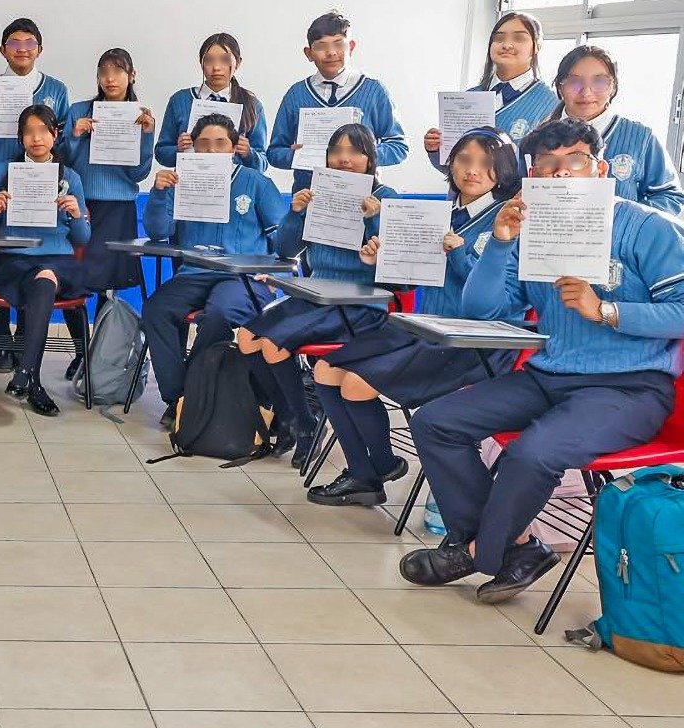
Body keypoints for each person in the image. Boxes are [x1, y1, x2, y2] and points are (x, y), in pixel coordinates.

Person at [405, 118, 684, 602]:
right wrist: (501, 242)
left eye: (572, 162)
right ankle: (515, 547)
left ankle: (474, 552)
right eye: (545, 166)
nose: (558, 175)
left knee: (532, 453)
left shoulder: (646, 227)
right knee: (436, 420)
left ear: (599, 169)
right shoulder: (531, 225)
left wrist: (610, 311)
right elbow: (483, 310)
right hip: (548, 373)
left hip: (630, 386)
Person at [308, 128, 522, 507]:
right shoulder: (439, 210)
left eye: (486, 165)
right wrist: (380, 261)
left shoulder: (505, 220)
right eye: (464, 160)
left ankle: (376, 467)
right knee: (325, 370)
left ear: (503, 171)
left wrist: (458, 254)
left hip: (471, 343)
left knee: (356, 383)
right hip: (423, 326)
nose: (472, 171)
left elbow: (495, 303)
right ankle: (368, 473)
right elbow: (410, 277)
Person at [238, 123, 399, 460]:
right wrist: (296, 214)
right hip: (313, 294)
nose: (344, 159)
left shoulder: (387, 199)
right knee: (247, 338)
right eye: (336, 151)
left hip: (357, 302)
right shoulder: (317, 191)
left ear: (370, 158)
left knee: (273, 345)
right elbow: (285, 249)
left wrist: (374, 218)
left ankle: (304, 423)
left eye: (354, 151)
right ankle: (294, 418)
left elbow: (396, 266)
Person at [140, 113, 285, 429]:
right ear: (192, 148)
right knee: (155, 309)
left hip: (241, 277)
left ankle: (196, 390)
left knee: (219, 313)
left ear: (233, 147)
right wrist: (159, 192)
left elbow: (284, 240)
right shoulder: (180, 180)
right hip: (195, 273)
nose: (211, 151)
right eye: (203, 144)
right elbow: (157, 230)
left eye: (220, 144)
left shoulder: (257, 183)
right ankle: (178, 398)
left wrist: (277, 278)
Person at [0, 18, 70, 372]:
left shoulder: (57, 89)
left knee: (34, 261)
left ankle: (27, 343)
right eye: (14, 43)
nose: (22, 49)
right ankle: (0, 345)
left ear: (40, 49)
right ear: (3, 50)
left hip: (41, 185)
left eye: (29, 43)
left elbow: (65, 142)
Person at [0, 105, 92, 416]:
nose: (36, 138)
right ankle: (31, 379)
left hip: (58, 260)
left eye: (43, 131)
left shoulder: (71, 178)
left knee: (46, 277)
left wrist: (76, 215)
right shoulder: (4, 172)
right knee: (42, 281)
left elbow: (82, 239)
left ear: (55, 135)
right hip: (15, 260)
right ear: (20, 138)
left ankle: (27, 374)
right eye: (29, 132)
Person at [267, 10, 407, 190]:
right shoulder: (296, 94)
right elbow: (274, 153)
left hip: (362, 197)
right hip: (308, 199)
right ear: (308, 53)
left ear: (352, 47)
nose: (331, 52)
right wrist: (299, 156)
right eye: (320, 46)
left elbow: (399, 146)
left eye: (339, 44)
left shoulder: (374, 91)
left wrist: (361, 154)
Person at [543, 44, 684, 214]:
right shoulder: (537, 137)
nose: (586, 92)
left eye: (599, 82)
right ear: (560, 87)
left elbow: (670, 196)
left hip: (621, 240)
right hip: (551, 235)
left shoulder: (641, 138)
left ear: (613, 87)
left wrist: (625, 221)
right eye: (574, 82)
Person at [65, 48, 156, 299]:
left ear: (132, 75)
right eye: (103, 72)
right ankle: (81, 339)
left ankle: (103, 339)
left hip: (118, 207)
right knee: (72, 278)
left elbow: (139, 173)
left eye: (117, 71)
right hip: (82, 204)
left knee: (106, 285)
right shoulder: (79, 111)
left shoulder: (141, 117)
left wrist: (147, 136)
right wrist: (75, 136)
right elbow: (63, 163)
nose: (110, 79)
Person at [422, 11, 558, 167]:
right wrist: (436, 149)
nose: (506, 45)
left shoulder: (549, 103)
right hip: (465, 190)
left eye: (519, 38)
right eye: (499, 38)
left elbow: (546, 167)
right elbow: (451, 168)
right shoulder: (470, 96)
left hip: (517, 191)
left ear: (537, 46)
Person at [155, 32, 268, 171]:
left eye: (225, 60)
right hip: (191, 182)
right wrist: (178, 149)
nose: (216, 67)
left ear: (238, 62)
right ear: (200, 63)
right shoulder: (180, 100)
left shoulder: (252, 104)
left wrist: (248, 153)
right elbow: (161, 153)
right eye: (209, 60)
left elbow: (263, 162)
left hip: (235, 186)